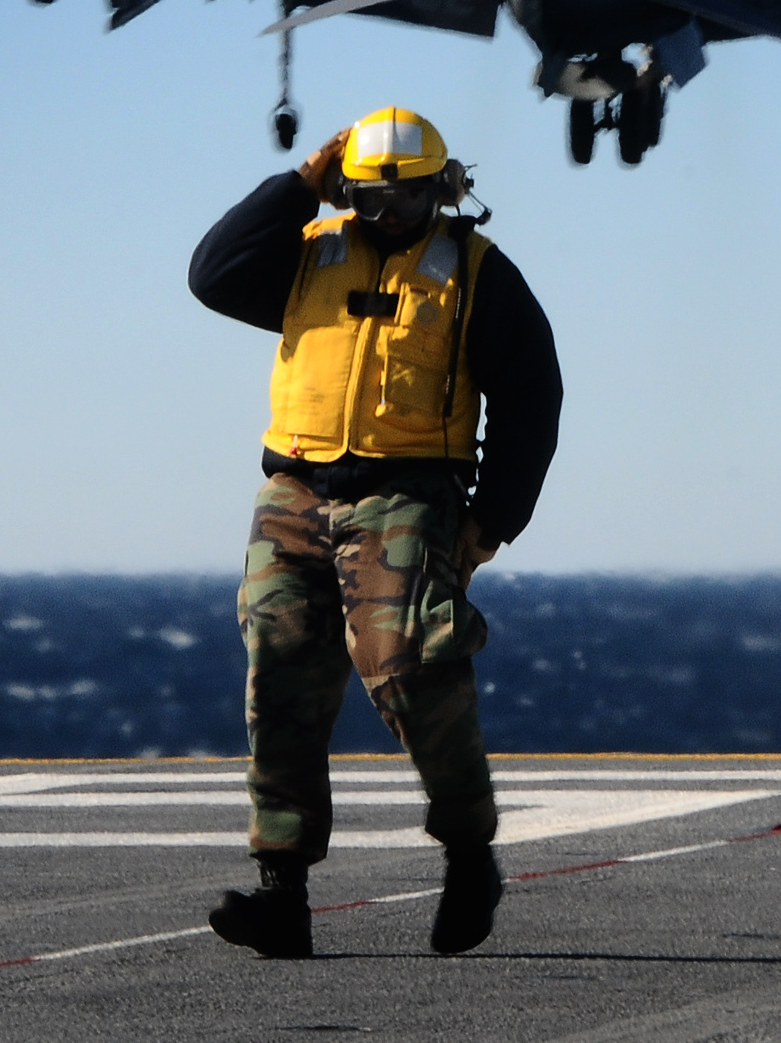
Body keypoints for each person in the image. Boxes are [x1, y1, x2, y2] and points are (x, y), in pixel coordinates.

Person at [187, 107, 563, 959]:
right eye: (369, 199)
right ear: (345, 189)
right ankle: (282, 893)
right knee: (279, 671)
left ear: (444, 189)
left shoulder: (477, 272)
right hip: (294, 489)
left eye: (408, 199)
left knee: (412, 670)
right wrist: (297, 186)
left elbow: (532, 395)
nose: (389, 216)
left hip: (408, 493)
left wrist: (492, 520)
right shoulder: (308, 253)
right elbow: (213, 274)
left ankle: (469, 855)